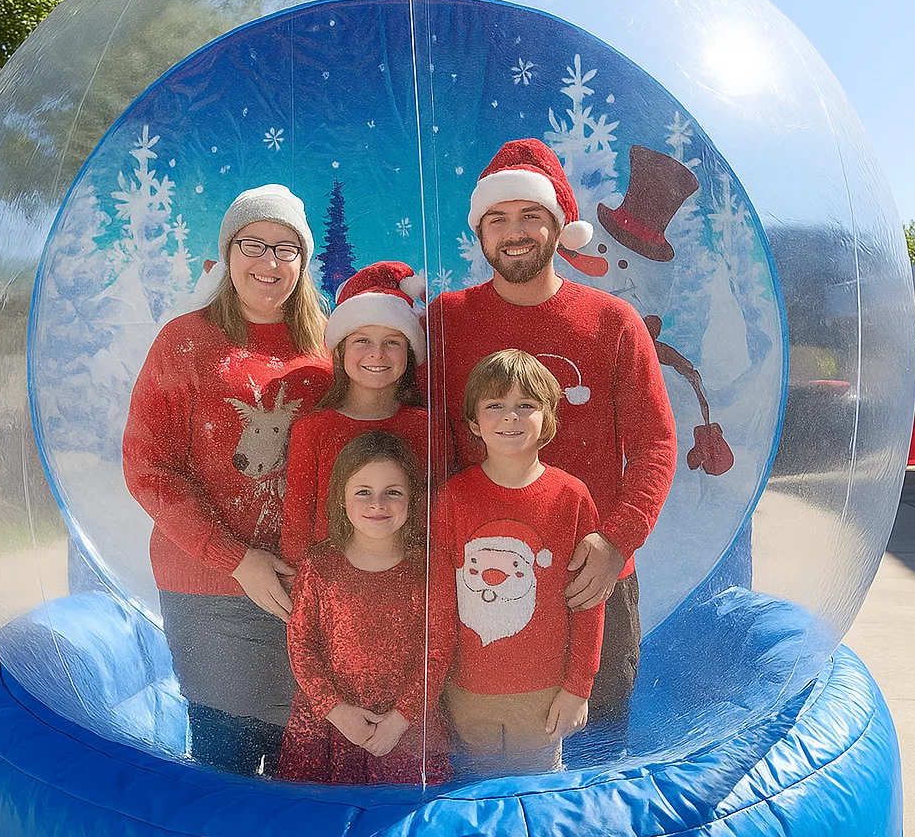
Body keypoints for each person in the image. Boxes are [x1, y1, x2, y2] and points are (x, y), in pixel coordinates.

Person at [427, 138, 677, 727]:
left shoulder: (612, 322)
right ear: (480, 233)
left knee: (598, 754)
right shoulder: (447, 322)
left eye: (530, 216)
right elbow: (423, 439)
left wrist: (617, 540)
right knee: (480, 753)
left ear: (559, 226)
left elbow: (655, 444)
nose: (514, 231)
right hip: (478, 581)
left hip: (590, 582)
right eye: (498, 218)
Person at [123, 184, 332, 776]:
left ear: (303, 259)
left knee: (308, 764)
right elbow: (148, 469)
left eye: (286, 248)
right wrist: (237, 559)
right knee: (228, 759)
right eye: (253, 244)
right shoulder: (184, 343)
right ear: (227, 253)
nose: (269, 262)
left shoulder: (328, 351)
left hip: (312, 589)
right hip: (211, 588)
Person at [430, 350, 605, 774]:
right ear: (474, 423)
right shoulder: (455, 496)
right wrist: (434, 685)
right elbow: (438, 598)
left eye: (525, 405)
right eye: (495, 406)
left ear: (548, 419)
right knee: (471, 798)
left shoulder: (572, 497)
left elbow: (589, 601)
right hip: (467, 691)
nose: (511, 416)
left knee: (537, 799)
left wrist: (578, 687)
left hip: (544, 695)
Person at [277, 431, 450, 785]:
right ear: (342, 498)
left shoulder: (429, 567)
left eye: (393, 492)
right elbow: (301, 644)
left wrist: (401, 718)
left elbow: (439, 648)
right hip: (325, 726)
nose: (378, 504)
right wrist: (336, 711)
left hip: (404, 730)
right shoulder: (320, 563)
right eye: (363, 492)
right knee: (319, 826)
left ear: (412, 498)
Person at [281, 261, 429, 568]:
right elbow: (297, 526)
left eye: (393, 342)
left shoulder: (426, 427)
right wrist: (301, 591)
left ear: (411, 353)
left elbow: (435, 519)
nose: (377, 353)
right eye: (362, 340)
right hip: (329, 593)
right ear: (341, 351)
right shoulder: (313, 429)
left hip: (410, 591)